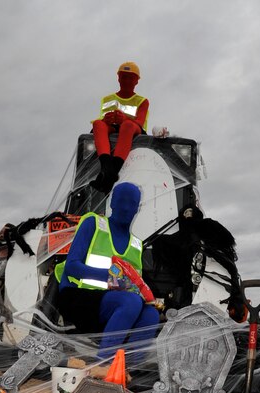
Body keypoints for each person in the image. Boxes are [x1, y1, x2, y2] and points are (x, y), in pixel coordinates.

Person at [55, 182, 159, 361]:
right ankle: (102, 366)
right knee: (131, 302)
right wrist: (111, 277)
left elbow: (136, 284)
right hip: (77, 296)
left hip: (110, 305)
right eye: (121, 201)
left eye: (131, 203)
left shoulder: (136, 245)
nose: (126, 207)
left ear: (137, 209)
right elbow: (72, 266)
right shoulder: (94, 223)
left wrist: (148, 298)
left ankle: (127, 369)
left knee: (151, 315)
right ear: (112, 202)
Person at [90, 62, 149, 194]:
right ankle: (107, 169)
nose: (127, 81)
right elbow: (103, 118)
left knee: (127, 126)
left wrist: (124, 119)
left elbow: (139, 122)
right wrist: (106, 120)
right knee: (98, 124)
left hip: (134, 129)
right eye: (124, 77)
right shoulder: (107, 99)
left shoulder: (142, 101)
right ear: (118, 78)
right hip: (113, 127)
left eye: (131, 78)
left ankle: (110, 173)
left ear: (136, 81)